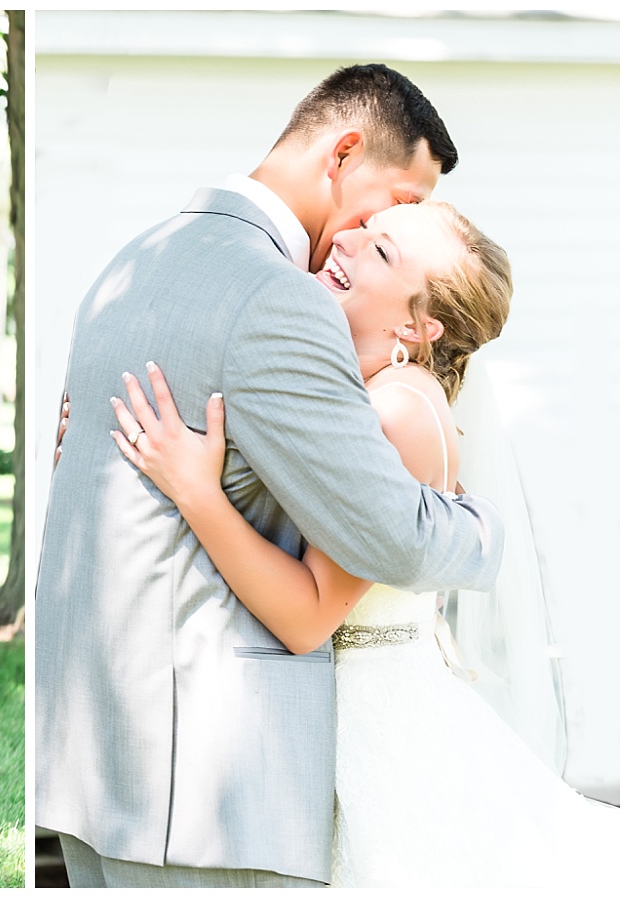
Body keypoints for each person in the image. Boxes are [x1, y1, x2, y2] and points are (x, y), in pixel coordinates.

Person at [35, 63, 507, 888]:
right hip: (200, 791)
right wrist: (479, 531)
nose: (374, 230)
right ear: (344, 153)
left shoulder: (137, 258)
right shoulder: (281, 300)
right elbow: (396, 533)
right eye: (393, 205)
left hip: (90, 762)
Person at [109, 201, 621, 887]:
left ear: (419, 324)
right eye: (362, 230)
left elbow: (306, 616)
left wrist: (195, 488)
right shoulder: (370, 393)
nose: (343, 240)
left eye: (380, 252)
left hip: (375, 734)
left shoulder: (395, 411)